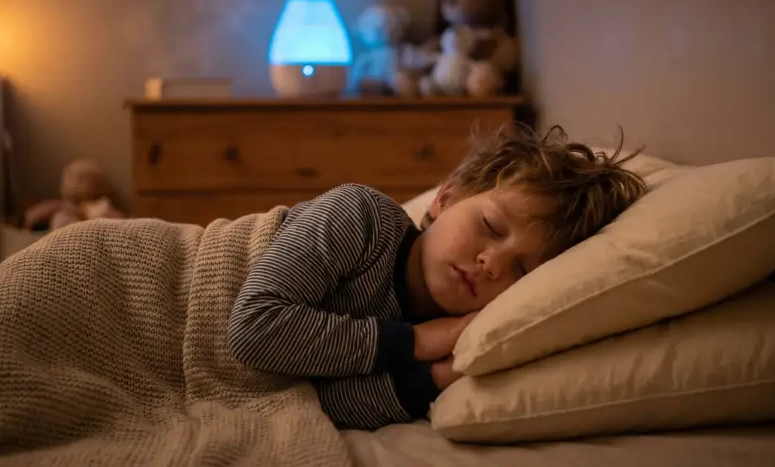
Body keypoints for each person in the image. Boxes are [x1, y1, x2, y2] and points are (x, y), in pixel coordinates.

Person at [226, 123, 649, 430]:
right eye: (491, 226)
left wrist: (432, 379)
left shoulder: (448, 338)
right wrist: (419, 342)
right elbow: (253, 328)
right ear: (446, 198)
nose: (493, 264)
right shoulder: (361, 217)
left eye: (521, 270)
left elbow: (306, 401)